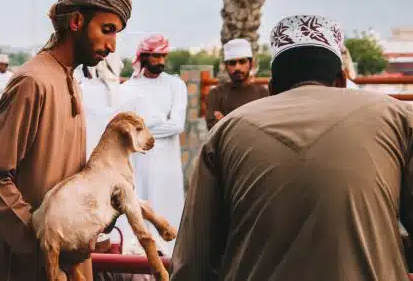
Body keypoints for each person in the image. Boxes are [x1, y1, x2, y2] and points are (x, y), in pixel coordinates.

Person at [171, 15, 413, 281]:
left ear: (272, 88)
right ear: (342, 80)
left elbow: (194, 260)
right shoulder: (398, 118)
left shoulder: (225, 132)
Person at [0, 0, 132, 280]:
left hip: (70, 260)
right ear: (76, 21)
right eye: (106, 30)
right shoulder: (33, 82)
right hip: (30, 265)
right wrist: (44, 242)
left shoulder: (70, 79)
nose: (111, 46)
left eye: (116, 34)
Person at [120, 34, 187, 255]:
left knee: (168, 208)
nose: (160, 61)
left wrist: (144, 126)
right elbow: (126, 126)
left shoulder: (175, 84)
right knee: (139, 208)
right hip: (139, 163)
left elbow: (177, 125)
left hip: (166, 164)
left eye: (162, 56)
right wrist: (158, 123)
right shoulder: (128, 88)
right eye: (155, 56)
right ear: (144, 57)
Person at [205, 38, 268, 130]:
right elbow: (214, 130)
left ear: (251, 64)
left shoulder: (263, 93)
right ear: (226, 66)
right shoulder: (216, 94)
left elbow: (266, 126)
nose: (237, 67)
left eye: (242, 62)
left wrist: (225, 122)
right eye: (232, 63)